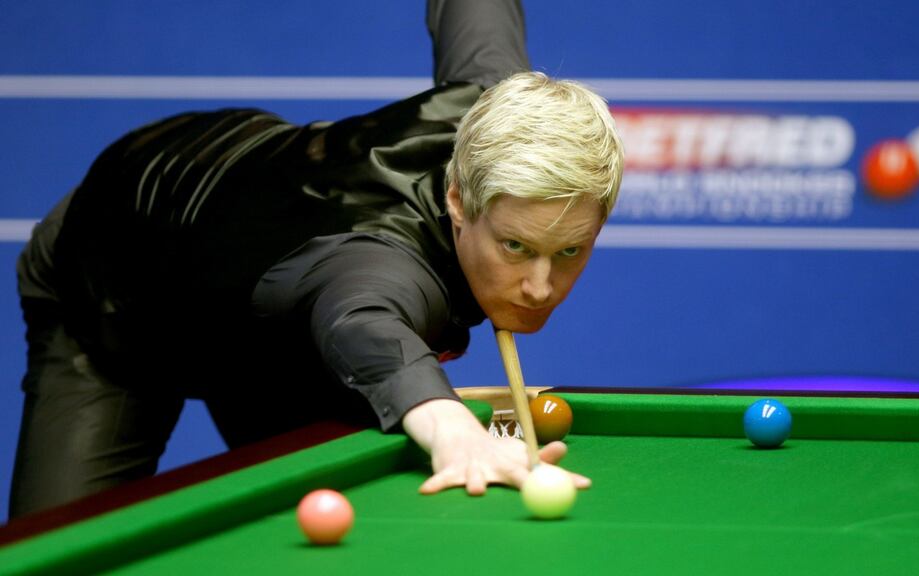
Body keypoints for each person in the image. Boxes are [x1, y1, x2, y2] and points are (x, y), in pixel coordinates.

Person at [9, 0, 624, 519]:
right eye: (515, 246)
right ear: (459, 198)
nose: (541, 286)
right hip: (119, 278)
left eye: (569, 251)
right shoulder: (375, 265)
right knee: (56, 546)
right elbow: (362, 320)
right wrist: (454, 428)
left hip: (260, 285)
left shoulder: (501, 115)